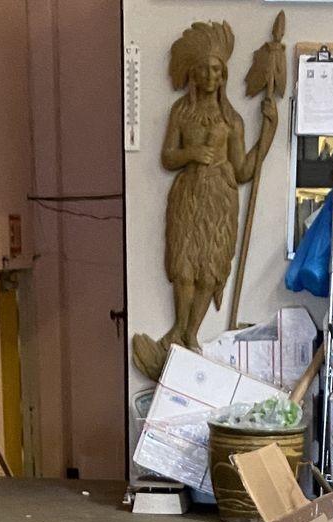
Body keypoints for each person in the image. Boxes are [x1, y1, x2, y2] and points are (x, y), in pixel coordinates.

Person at [131, 21, 278, 381]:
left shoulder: (232, 119)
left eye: (216, 69)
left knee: (210, 271)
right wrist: (192, 152)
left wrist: (269, 133)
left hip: (220, 200)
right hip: (188, 196)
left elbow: (243, 170)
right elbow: (167, 156)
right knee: (183, 266)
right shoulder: (181, 112)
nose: (210, 75)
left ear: (223, 74)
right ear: (193, 73)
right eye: (204, 69)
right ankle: (178, 331)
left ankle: (190, 335)